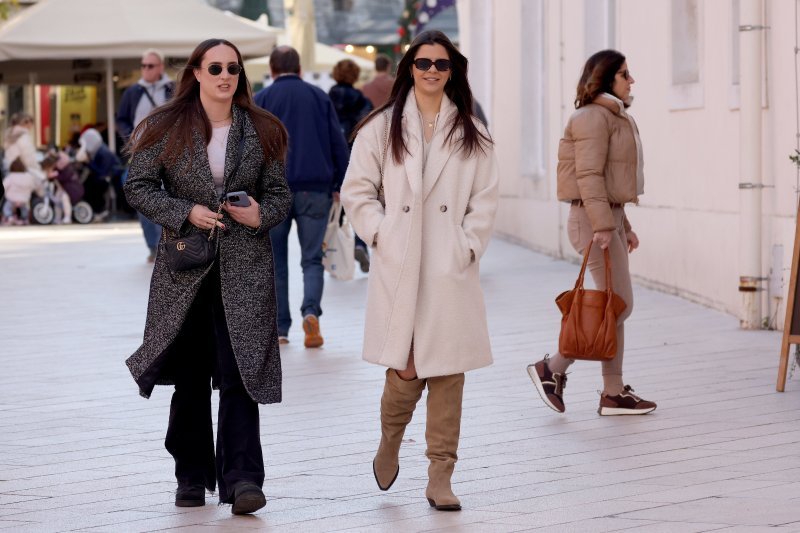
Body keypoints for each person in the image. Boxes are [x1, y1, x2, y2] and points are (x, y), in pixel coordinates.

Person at [123, 38, 291, 514]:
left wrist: (261, 213)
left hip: (245, 269)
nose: (224, 76)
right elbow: (137, 186)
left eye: (233, 69)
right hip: (186, 270)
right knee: (191, 375)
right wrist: (185, 211)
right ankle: (191, 475)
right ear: (196, 71)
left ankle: (242, 481)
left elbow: (280, 195)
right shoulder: (165, 126)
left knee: (241, 372)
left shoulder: (262, 129)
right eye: (214, 67)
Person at [341, 30, 498, 511]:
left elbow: (485, 201)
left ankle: (440, 475)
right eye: (424, 62)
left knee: (449, 374)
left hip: (448, 269)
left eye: (442, 64)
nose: (433, 70)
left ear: (453, 71)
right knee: (406, 369)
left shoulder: (472, 132)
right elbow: (357, 191)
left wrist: (466, 247)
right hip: (401, 263)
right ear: (410, 67)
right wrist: (382, 234)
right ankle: (390, 440)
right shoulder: (380, 128)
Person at [526, 49, 657, 416]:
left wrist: (622, 225)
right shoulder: (591, 118)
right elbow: (588, 177)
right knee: (620, 305)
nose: (632, 81)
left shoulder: (611, 115)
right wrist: (603, 225)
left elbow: (611, 180)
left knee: (617, 304)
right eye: (625, 75)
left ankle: (613, 392)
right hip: (591, 220)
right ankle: (553, 368)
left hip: (606, 218)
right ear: (606, 78)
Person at [254, 46, 350, 348]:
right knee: (311, 259)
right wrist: (340, 183)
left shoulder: (261, 100)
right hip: (315, 190)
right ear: (299, 69)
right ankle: (312, 314)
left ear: (272, 70)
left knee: (276, 262)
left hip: (273, 193)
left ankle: (281, 329)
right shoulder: (319, 97)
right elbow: (338, 144)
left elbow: (250, 150)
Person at [117, 49, 175, 262]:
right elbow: (121, 118)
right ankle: (153, 247)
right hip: (141, 153)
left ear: (160, 67)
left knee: (170, 198)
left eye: (150, 65)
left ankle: (167, 245)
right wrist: (131, 138)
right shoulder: (133, 92)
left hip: (171, 154)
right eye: (143, 65)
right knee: (143, 201)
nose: (146, 70)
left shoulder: (173, 90)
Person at [329, 58, 373, 273]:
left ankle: (336, 249)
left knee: (335, 210)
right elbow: (369, 129)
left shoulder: (326, 99)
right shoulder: (361, 101)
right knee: (357, 205)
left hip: (330, 161)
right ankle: (359, 243)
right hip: (355, 159)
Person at [76, 128, 122, 218]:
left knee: (94, 186)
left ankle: (100, 210)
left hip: (111, 177)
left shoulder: (103, 152)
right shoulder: (98, 150)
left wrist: (88, 162)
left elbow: (101, 172)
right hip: (106, 175)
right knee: (88, 183)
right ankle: (94, 209)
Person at [41, 152, 84, 224]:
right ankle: (57, 218)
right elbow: (52, 178)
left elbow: (65, 177)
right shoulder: (58, 168)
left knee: (65, 199)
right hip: (63, 188)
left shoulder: (66, 167)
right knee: (57, 202)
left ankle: (68, 217)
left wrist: (55, 175)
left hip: (72, 190)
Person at [3, 112, 44, 181]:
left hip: (10, 172)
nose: (31, 126)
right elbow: (28, 157)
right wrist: (39, 170)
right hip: (23, 172)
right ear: (26, 123)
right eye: (31, 123)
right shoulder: (23, 136)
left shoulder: (10, 135)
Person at [1, 158, 43, 225]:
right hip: (24, 200)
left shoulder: (11, 176)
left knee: (6, 208)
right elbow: (33, 187)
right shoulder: (29, 177)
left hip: (12, 199)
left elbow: (4, 186)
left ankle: (10, 217)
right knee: (25, 210)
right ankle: (24, 219)